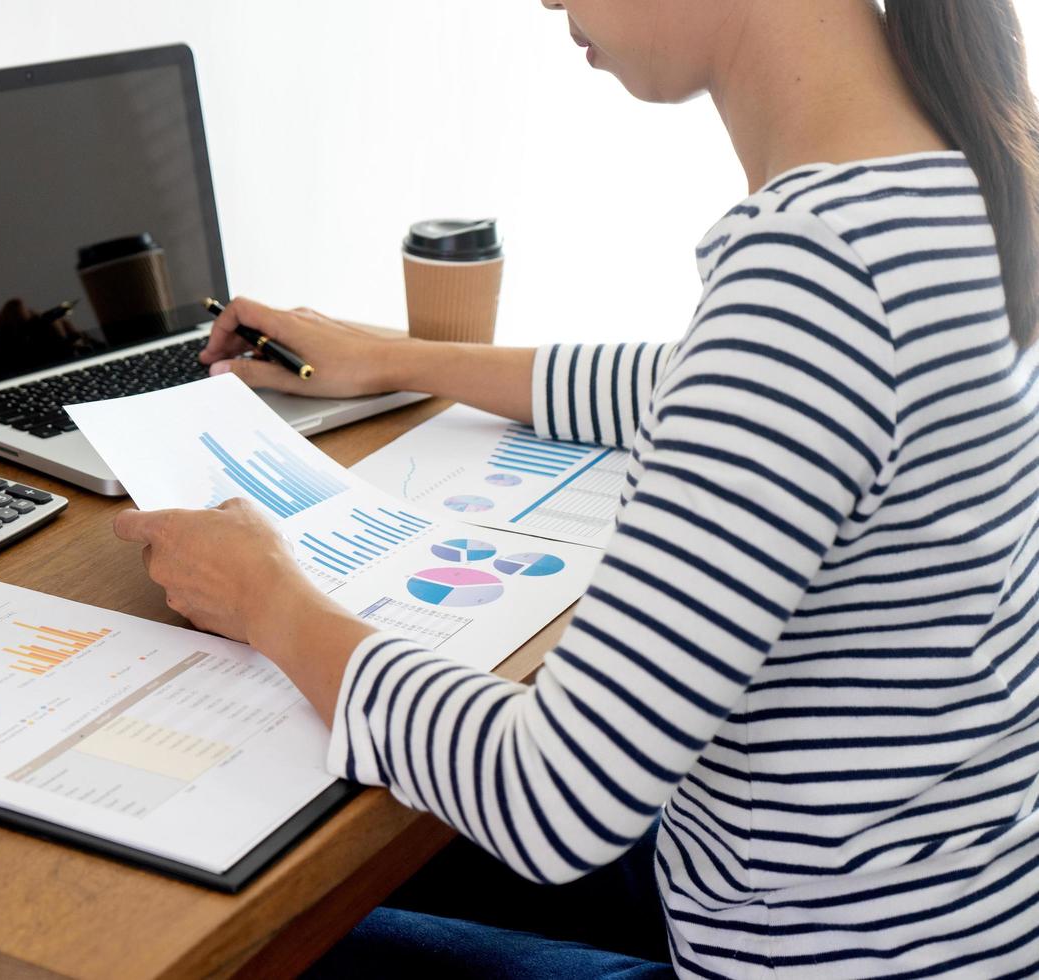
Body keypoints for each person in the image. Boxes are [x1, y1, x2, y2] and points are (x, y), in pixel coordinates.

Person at [112, 0, 1039, 975]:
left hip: (790, 949)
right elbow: (693, 386)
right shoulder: (952, 182)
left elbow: (556, 794)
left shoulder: (810, 282)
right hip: (911, 915)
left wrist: (267, 596)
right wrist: (394, 356)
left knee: (231, 945)